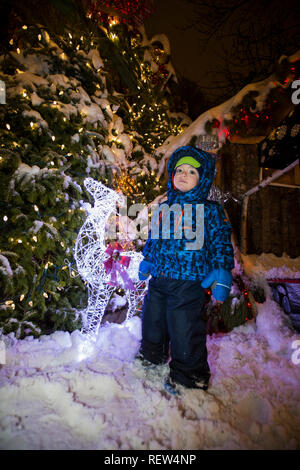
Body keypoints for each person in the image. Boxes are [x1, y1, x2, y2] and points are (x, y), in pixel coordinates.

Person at [137, 145, 234, 394]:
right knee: (153, 320)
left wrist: (222, 271)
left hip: (189, 283)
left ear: (203, 180)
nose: (183, 174)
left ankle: (190, 375)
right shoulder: (163, 208)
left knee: (184, 328)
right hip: (159, 279)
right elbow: (154, 240)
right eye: (179, 169)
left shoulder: (210, 211)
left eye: (191, 171)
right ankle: (152, 355)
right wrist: (148, 259)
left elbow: (221, 242)